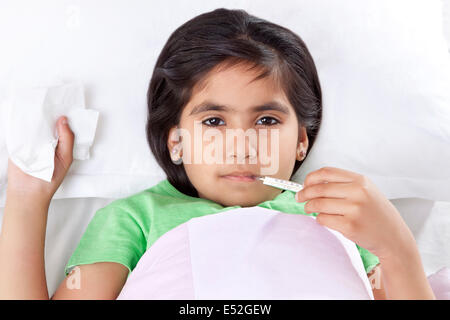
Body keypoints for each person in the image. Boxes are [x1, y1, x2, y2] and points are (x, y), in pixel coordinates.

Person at [0, 8, 435, 300]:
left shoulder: (348, 221)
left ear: (302, 140)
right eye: (213, 122)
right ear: (176, 142)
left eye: (266, 121)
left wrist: (396, 247)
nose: (242, 146)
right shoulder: (135, 219)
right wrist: (26, 200)